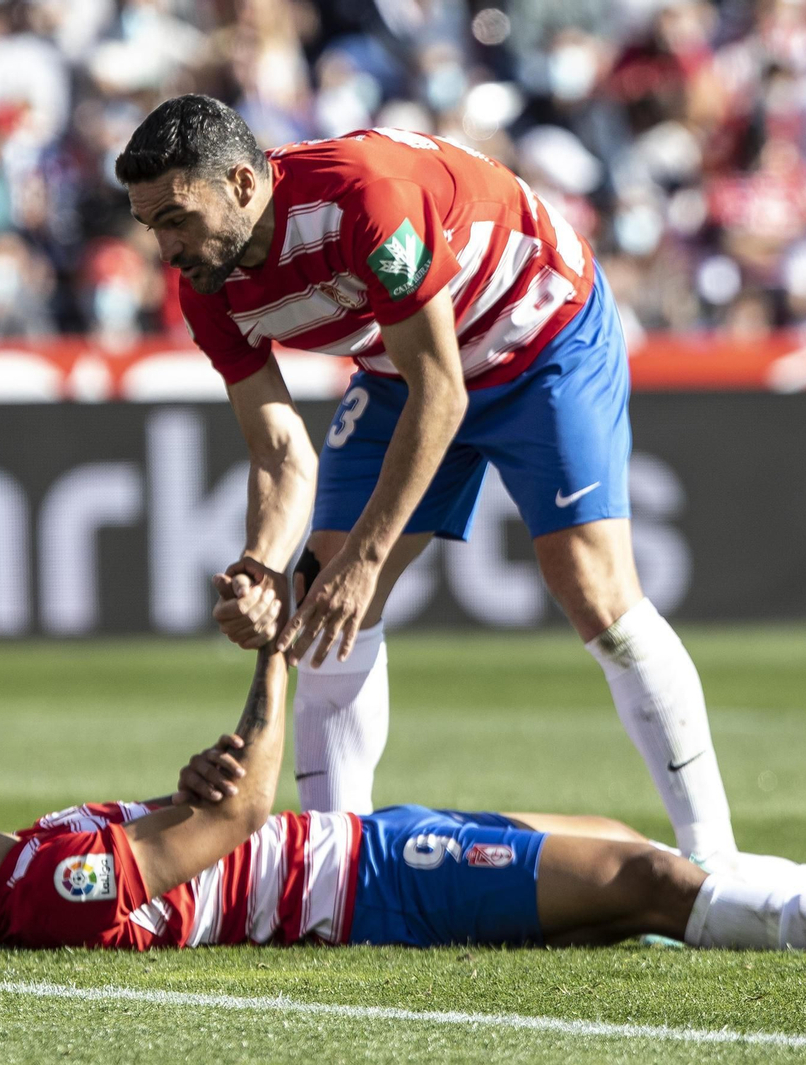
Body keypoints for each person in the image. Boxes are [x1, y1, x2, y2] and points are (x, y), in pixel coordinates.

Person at [114, 94, 744, 871]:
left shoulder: (363, 199)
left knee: (593, 586)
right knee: (319, 601)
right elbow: (279, 450)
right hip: (405, 364)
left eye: (176, 218)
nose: (166, 248)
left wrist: (367, 557)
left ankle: (713, 861)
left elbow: (442, 392)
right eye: (150, 226)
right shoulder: (207, 286)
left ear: (243, 184)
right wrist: (262, 567)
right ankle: (338, 874)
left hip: (539, 334)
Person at [0, 612, 806, 953]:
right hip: (371, 882)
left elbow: (205, 824)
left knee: (624, 855)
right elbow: (246, 814)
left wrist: (186, 790)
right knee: (649, 879)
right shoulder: (50, 888)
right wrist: (277, 652)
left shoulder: (42, 853)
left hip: (360, 852)